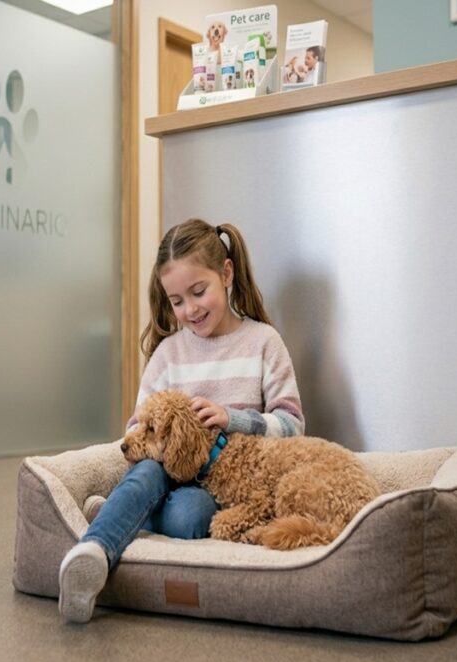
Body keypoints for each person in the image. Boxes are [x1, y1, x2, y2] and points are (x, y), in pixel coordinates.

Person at [58, 218, 306, 623]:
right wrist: (154, 443)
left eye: (198, 292)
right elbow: (137, 432)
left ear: (225, 274)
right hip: (163, 473)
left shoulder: (264, 342)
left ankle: (117, 511)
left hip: (222, 485)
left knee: (188, 517)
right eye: (176, 301)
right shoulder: (168, 354)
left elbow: (293, 426)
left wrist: (234, 419)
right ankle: (95, 550)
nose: (189, 310)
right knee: (145, 476)